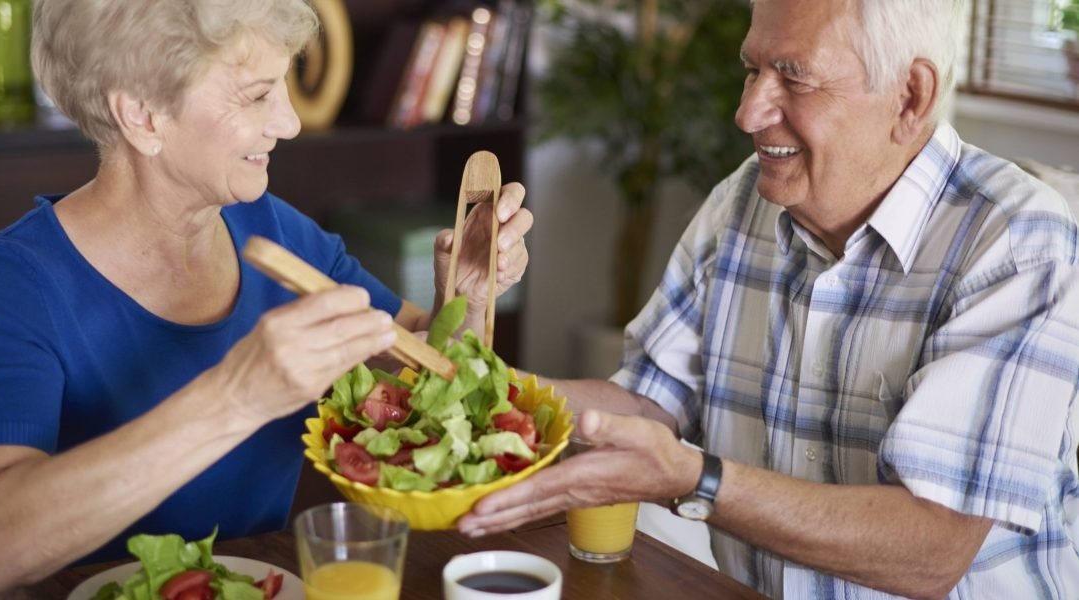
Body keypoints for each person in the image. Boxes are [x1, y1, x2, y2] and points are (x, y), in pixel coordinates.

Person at [459, 0, 1079, 598]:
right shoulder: (744, 198)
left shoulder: (1017, 239)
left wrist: (695, 479)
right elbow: (647, 404)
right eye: (753, 69)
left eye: (794, 76)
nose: (748, 111)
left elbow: (931, 552)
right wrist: (469, 381)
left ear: (910, 96)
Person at [0, 0, 532, 594]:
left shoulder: (272, 227)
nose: (290, 122)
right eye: (256, 95)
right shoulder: (19, 278)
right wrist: (238, 396)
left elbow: (419, 374)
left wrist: (464, 300)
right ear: (143, 116)